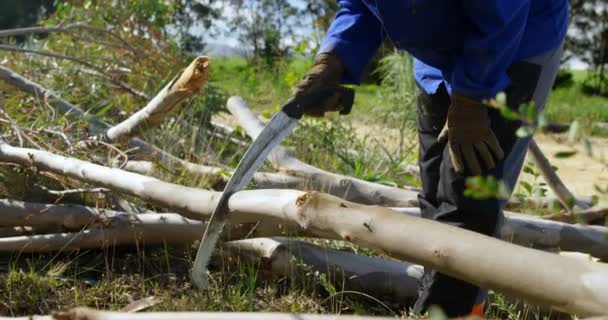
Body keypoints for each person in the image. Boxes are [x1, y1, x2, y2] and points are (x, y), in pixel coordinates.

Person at [294, 1, 568, 318]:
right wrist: (331, 61)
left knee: (469, 196)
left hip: (512, 45)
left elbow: (501, 12)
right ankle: (448, 305)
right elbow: (359, 6)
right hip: (438, 57)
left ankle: (450, 312)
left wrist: (470, 100)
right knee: (435, 191)